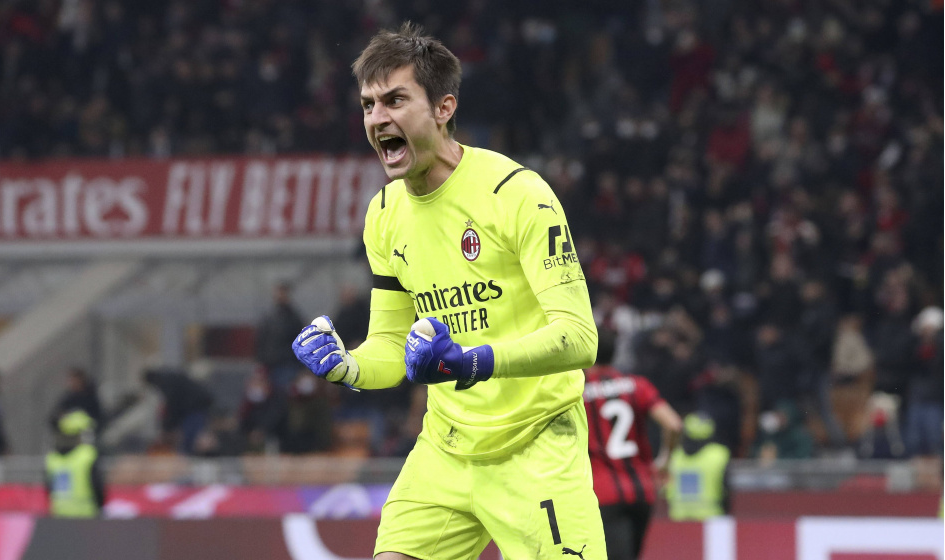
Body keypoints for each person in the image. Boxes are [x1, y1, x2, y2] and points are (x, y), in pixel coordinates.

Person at [292, 22, 606, 560]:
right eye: (368, 105)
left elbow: (579, 339)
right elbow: (392, 345)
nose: (377, 118)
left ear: (443, 108)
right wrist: (348, 366)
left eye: (395, 100)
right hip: (447, 449)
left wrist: (471, 361)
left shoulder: (517, 194)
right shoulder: (384, 215)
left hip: (536, 447)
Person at [583, 330, 682, 560]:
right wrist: (664, 461)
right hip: (641, 490)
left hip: (603, 491)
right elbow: (674, 424)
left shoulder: (577, 392)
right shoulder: (637, 385)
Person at [665, 413, 731, 521]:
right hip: (711, 519)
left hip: (678, 520)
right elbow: (726, 490)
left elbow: (665, 490)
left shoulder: (674, 455)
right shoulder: (719, 454)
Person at [45, 410, 105, 518]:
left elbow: (48, 488)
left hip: (59, 514)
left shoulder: (52, 459)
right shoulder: (87, 455)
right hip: (86, 514)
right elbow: (97, 486)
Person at [255, 283, 306, 390]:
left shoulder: (293, 318)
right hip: (270, 363)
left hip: (287, 363)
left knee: (283, 390)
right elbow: (261, 340)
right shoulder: (269, 317)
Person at [49, 367, 104, 434]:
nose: (73, 383)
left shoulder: (90, 396)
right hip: (70, 435)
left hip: (89, 431)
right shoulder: (68, 397)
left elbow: (96, 415)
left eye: (76, 381)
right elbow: (55, 415)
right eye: (72, 381)